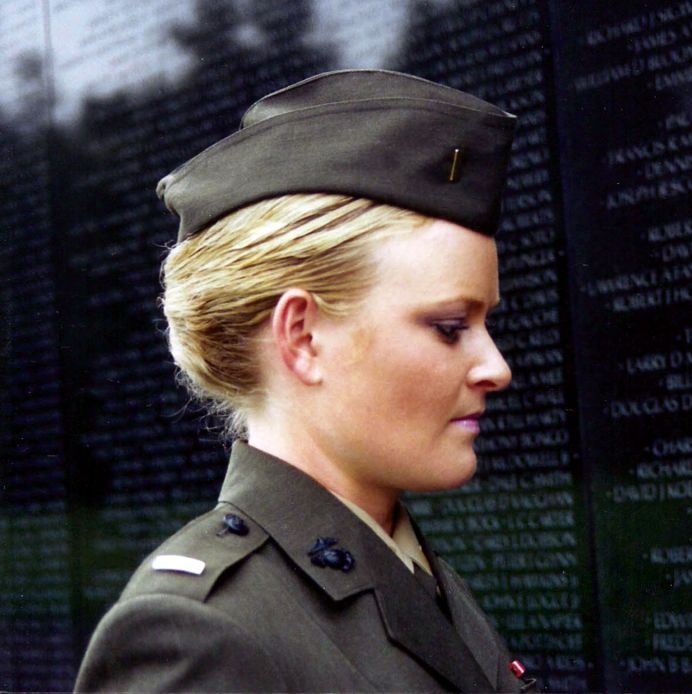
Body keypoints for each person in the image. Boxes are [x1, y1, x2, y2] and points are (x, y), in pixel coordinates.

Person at [75, 69, 534, 692]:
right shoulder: (196, 634)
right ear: (303, 337)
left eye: (485, 322)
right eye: (450, 326)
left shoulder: (417, 578)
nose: (496, 367)